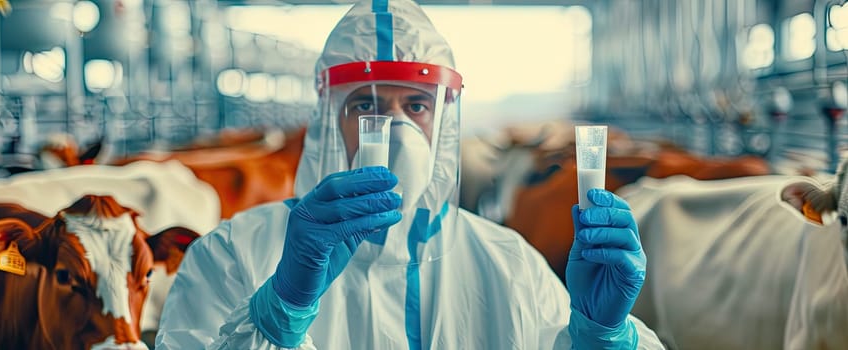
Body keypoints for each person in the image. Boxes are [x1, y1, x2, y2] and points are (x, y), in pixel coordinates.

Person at [155, 0, 664, 348]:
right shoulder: (233, 255)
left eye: (417, 105)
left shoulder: (507, 266)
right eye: (365, 106)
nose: (394, 129)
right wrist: (281, 307)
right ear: (329, 120)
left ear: (442, 125)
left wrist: (604, 333)